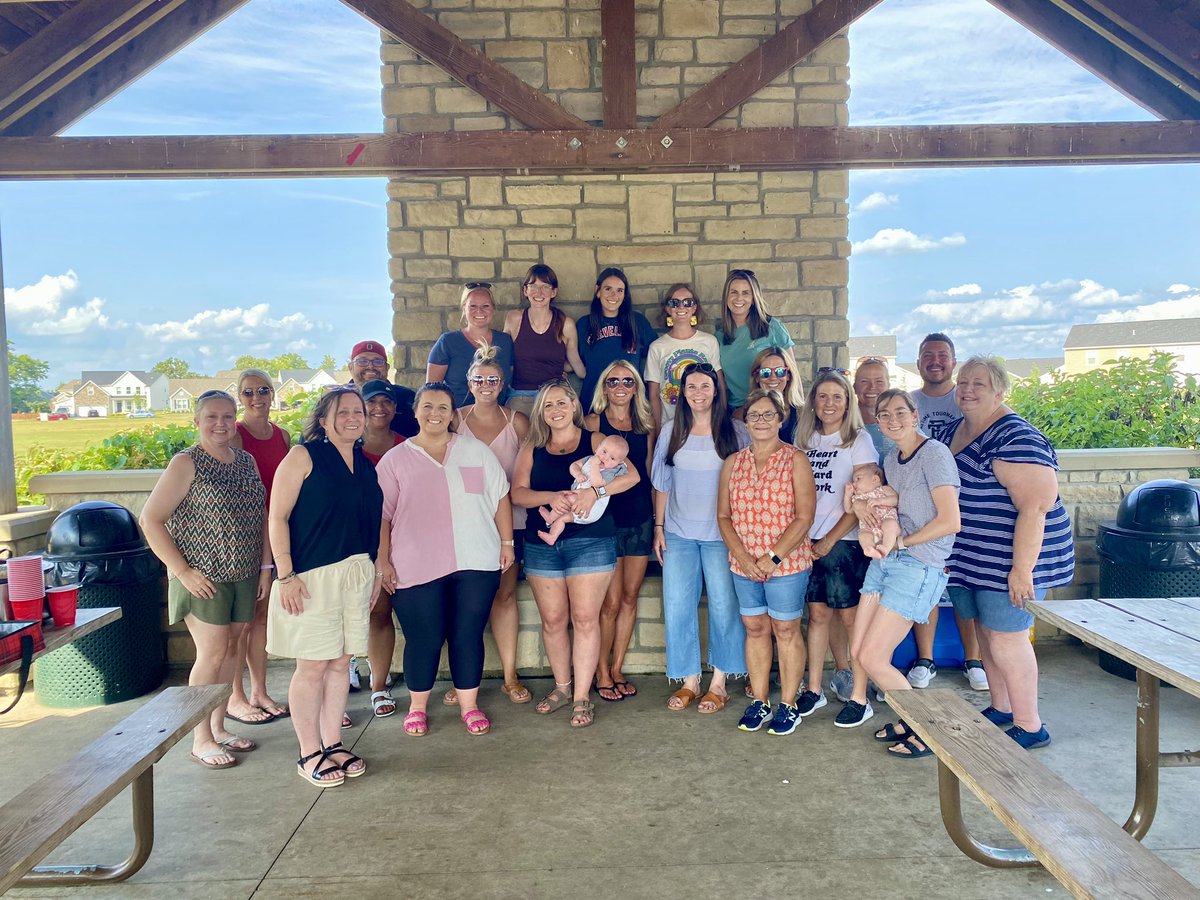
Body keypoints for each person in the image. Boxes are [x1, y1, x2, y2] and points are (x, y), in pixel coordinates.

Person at [942, 356, 1074, 750]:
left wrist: (1022, 570)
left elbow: (1036, 506)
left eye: (978, 384)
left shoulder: (1017, 436)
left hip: (1010, 559)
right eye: (963, 382)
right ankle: (1001, 707)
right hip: (973, 557)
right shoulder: (955, 429)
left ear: (1000, 391)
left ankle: (1030, 725)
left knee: (1007, 637)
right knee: (986, 631)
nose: (966, 390)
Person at [141, 390, 272, 770]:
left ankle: (218, 728)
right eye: (212, 417)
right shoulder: (187, 463)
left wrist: (265, 568)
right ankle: (200, 739)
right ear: (197, 421)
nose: (221, 424)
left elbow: (261, 517)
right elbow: (151, 519)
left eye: (228, 417)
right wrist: (182, 571)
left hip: (244, 573)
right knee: (212, 652)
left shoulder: (245, 461)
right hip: (203, 577)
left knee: (232, 650)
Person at [375, 382, 515, 738]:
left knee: (467, 634)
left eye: (442, 408)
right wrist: (383, 561)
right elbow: (382, 516)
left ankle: (469, 706)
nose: (434, 414)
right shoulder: (395, 460)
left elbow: (500, 497)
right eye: (427, 406)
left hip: (476, 560)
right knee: (424, 638)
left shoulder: (476, 451)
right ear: (416, 411)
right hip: (415, 564)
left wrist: (507, 542)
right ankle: (418, 708)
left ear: (453, 414)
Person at [267, 387, 383, 787]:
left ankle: (333, 743)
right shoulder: (303, 456)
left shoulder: (365, 464)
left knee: (340, 662)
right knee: (313, 664)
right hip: (311, 578)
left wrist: (376, 573)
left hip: (356, 574)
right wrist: (285, 575)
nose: (353, 417)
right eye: (343, 411)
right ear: (323, 419)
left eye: (358, 411)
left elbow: (372, 523)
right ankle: (308, 751)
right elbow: (277, 517)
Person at [511, 379, 641, 728]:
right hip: (543, 546)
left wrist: (595, 491)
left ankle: (582, 696)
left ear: (573, 406)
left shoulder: (595, 441)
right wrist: (550, 497)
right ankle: (562, 688)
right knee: (553, 621)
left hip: (591, 540)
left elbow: (631, 477)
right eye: (548, 405)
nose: (555, 410)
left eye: (561, 403)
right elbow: (518, 494)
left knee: (585, 619)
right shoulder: (532, 446)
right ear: (541, 411)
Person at [852, 388, 961, 759]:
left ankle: (925, 729)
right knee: (858, 651)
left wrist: (906, 542)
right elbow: (883, 499)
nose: (893, 419)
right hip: (886, 561)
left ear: (915, 415)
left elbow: (951, 520)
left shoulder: (935, 455)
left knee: (873, 658)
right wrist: (859, 505)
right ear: (879, 422)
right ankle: (905, 719)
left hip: (919, 564)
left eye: (901, 411)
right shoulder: (891, 459)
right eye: (885, 414)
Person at [651, 363, 748, 714]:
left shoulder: (735, 432)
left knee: (724, 606)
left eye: (705, 386)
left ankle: (719, 683)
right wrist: (659, 528)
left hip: (723, 536)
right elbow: (662, 483)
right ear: (682, 392)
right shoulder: (671, 431)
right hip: (678, 534)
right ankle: (689, 680)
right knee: (678, 605)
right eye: (691, 387)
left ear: (715, 390)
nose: (698, 393)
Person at [719, 389, 816, 736]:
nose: (761, 421)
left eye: (768, 415)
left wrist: (772, 557)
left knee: (786, 630)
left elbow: (804, 517)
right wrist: (745, 559)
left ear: (781, 419)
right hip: (744, 564)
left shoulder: (796, 460)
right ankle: (759, 700)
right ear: (745, 422)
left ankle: (788, 704)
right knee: (755, 629)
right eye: (754, 415)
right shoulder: (733, 462)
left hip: (786, 565)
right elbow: (723, 517)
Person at [445, 346, 532, 706]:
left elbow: (526, 472)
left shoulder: (518, 422)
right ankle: (463, 680)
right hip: (463, 526)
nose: (485, 384)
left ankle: (510, 677)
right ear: (469, 382)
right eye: (479, 379)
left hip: (510, 524)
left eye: (492, 379)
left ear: (503, 383)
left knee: (505, 596)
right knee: (464, 603)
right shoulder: (455, 420)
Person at [795, 370, 879, 727]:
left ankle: (860, 696)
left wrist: (830, 537)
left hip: (843, 543)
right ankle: (814, 689)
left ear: (848, 403)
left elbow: (865, 497)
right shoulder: (805, 439)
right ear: (813, 400)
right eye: (823, 396)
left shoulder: (858, 440)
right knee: (817, 616)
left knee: (851, 619)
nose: (829, 403)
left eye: (838, 397)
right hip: (808, 542)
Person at [906, 332, 987, 692]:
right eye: (928, 355)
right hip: (923, 511)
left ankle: (974, 659)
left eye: (943, 355)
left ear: (953, 362)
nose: (935, 361)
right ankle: (926, 658)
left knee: (964, 584)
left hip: (964, 507)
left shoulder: (966, 400)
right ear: (919, 361)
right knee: (928, 583)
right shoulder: (908, 403)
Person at [584, 361, 656, 703]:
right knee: (609, 602)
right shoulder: (593, 423)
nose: (621, 385)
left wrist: (659, 522)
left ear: (636, 386)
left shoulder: (645, 425)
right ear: (604, 386)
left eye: (628, 380)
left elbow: (651, 472)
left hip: (640, 516)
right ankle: (600, 672)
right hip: (606, 518)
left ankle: (616, 668)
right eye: (613, 380)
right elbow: (585, 472)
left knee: (630, 598)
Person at [226, 369, 290, 725]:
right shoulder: (235, 434)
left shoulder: (282, 435)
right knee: (242, 621)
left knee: (262, 617)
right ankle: (235, 694)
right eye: (248, 392)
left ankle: (260, 690)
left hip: (275, 533)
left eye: (263, 390)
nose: (256, 398)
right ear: (240, 396)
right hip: (246, 535)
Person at [355, 379, 406, 719]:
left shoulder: (406, 445)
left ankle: (378, 685)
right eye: (372, 402)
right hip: (351, 538)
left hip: (397, 539)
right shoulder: (345, 445)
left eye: (386, 402)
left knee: (382, 610)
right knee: (352, 612)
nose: (379, 408)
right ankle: (343, 683)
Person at [503, 264, 585, 418]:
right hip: (522, 395)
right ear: (525, 291)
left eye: (545, 286)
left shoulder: (565, 324)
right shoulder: (514, 319)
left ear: (554, 292)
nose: (538, 292)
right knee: (522, 436)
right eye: (533, 286)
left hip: (554, 394)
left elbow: (577, 365)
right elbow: (504, 359)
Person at [644, 283, 723, 431]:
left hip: (707, 425)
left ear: (694, 308)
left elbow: (719, 382)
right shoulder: (657, 347)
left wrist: (722, 418)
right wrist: (658, 431)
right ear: (667, 309)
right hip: (671, 425)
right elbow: (654, 394)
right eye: (675, 303)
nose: (681, 307)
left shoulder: (709, 341)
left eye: (688, 302)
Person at [715, 269, 796, 412]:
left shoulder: (772, 327)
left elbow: (793, 375)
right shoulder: (719, 336)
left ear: (753, 298)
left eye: (746, 293)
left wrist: (796, 411)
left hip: (771, 409)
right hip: (736, 412)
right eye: (733, 292)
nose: (739, 298)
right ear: (726, 297)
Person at [576, 267, 655, 412]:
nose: (614, 295)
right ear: (597, 291)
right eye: (608, 289)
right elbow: (571, 359)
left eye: (620, 290)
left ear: (625, 295)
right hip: (594, 403)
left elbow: (656, 356)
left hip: (630, 405)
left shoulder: (638, 322)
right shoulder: (584, 324)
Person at [426, 283, 515, 408]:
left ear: (493, 309)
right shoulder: (447, 342)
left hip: (497, 418)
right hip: (457, 419)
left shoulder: (505, 342)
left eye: (485, 306)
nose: (479, 310)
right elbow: (431, 390)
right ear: (464, 308)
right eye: (472, 306)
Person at [537, 435, 629, 544]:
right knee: (562, 518)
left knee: (567, 499)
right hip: (579, 502)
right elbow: (574, 465)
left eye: (612, 458)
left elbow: (597, 483)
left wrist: (595, 465)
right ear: (598, 448)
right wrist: (578, 474)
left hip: (593, 507)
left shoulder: (610, 471)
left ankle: (550, 518)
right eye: (604, 451)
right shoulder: (589, 459)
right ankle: (552, 536)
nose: (605, 457)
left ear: (618, 463)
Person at [345, 339, 416, 438]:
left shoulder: (406, 397)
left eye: (378, 362)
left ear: (387, 368)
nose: (370, 366)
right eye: (362, 361)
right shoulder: (336, 400)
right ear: (350, 367)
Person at [743, 347, 804, 444]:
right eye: (765, 372)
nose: (773, 378)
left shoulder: (803, 413)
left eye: (780, 371)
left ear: (788, 376)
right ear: (757, 377)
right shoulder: (741, 415)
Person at [845, 464, 900, 558]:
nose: (854, 484)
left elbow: (896, 500)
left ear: (875, 479)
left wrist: (880, 501)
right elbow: (849, 510)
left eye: (858, 479)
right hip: (869, 527)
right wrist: (848, 495)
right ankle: (869, 548)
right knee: (863, 534)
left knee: (890, 525)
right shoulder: (857, 497)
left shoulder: (883, 489)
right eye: (853, 481)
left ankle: (885, 548)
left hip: (886, 520)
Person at [853, 357, 894, 460]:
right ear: (854, 387)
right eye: (864, 381)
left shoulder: (901, 422)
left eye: (879, 381)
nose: (872, 387)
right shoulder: (843, 424)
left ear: (888, 386)